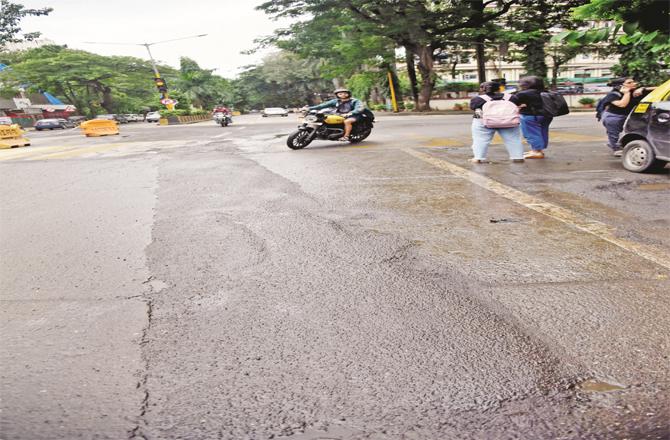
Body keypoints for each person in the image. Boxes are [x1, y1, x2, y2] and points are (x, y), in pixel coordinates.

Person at [469, 81, 525, 163]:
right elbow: (518, 105)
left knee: (480, 139)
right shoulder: (511, 97)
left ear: (482, 89)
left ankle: (478, 158)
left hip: (485, 122)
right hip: (509, 121)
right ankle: (518, 156)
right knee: (513, 139)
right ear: (499, 88)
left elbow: (474, 109)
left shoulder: (478, 99)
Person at [599, 77, 655, 156]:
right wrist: (626, 93)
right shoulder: (613, 94)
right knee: (614, 134)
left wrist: (643, 88)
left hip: (630, 116)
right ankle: (616, 148)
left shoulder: (637, 91)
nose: (634, 83)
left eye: (633, 82)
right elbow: (622, 104)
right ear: (621, 86)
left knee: (635, 131)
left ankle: (622, 144)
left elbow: (660, 88)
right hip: (614, 116)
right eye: (629, 83)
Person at [515, 76, 552, 159]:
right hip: (547, 115)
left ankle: (537, 151)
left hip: (530, 116)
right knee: (543, 132)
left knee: (531, 133)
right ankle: (539, 150)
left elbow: (514, 102)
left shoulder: (523, 93)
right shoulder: (546, 91)